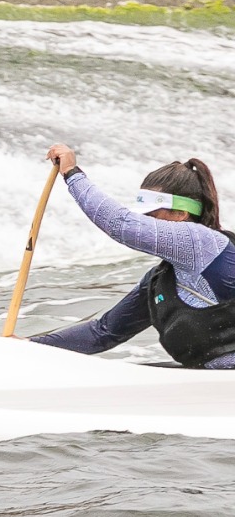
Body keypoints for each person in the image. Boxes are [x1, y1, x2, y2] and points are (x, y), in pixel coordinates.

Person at [28, 145, 235, 369]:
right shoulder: (159, 282)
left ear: (181, 214)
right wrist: (29, 347)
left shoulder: (203, 241)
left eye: (151, 216)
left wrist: (71, 173)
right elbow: (102, 333)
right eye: (142, 216)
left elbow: (120, 224)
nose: (143, 223)